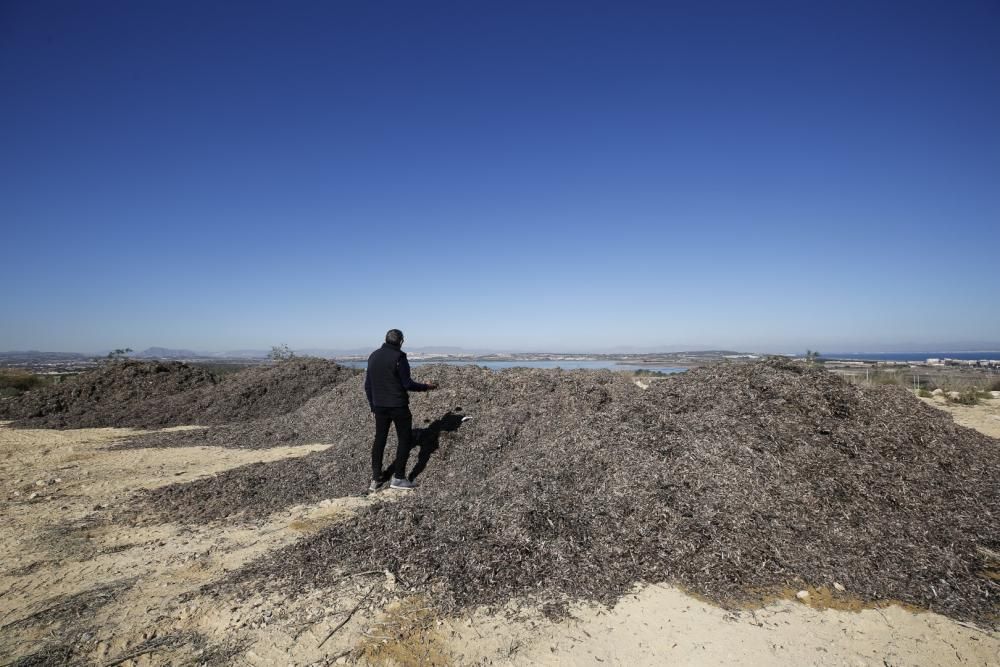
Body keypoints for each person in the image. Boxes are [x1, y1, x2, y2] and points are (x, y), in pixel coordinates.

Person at [364, 329, 438, 491]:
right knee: (404, 440)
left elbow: (368, 385)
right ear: (401, 341)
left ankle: (376, 479)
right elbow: (407, 384)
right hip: (398, 406)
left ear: (385, 339)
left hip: (380, 407)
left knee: (380, 440)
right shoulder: (399, 357)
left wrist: (372, 406)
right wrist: (426, 387)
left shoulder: (373, 356)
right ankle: (399, 478)